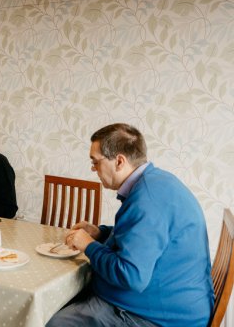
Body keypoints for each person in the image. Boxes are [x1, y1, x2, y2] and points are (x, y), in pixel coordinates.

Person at [47, 123, 214, 327]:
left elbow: (131, 276)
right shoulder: (155, 182)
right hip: (174, 301)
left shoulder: (147, 200)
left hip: (161, 317)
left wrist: (89, 245)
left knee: (56, 321)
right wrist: (100, 233)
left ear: (119, 161)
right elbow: (137, 238)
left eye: (95, 161)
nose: (93, 169)